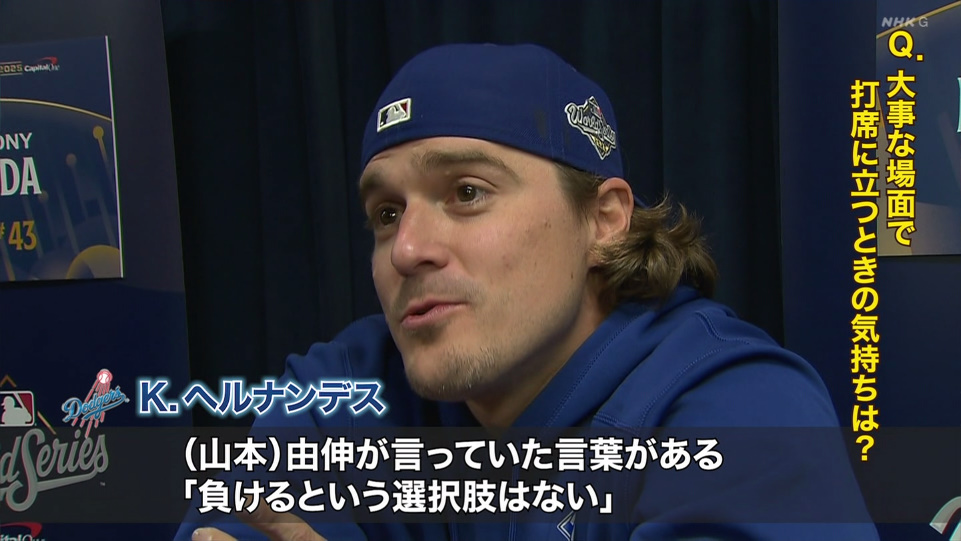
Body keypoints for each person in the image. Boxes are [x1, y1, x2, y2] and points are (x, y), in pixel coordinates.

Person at [177, 43, 879, 541]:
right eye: (386, 213)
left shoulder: (737, 409)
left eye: (467, 192)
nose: (408, 249)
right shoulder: (352, 387)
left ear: (603, 220)